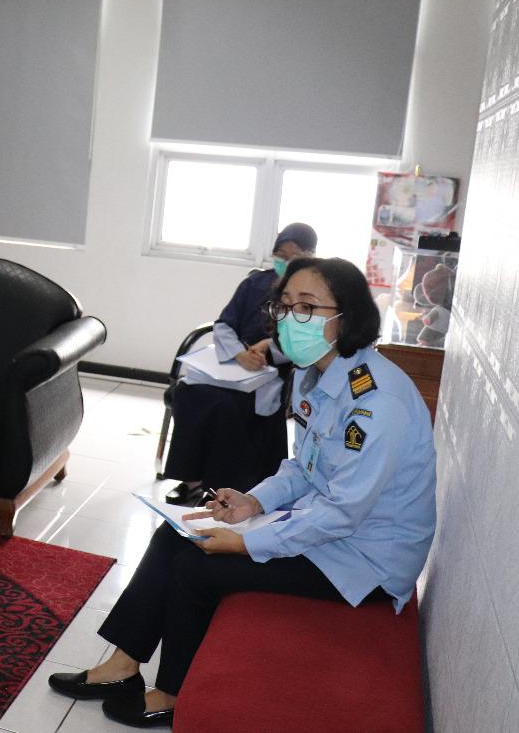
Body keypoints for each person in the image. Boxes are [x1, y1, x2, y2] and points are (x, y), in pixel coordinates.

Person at [48, 257, 436, 728]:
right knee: (173, 536)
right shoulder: (315, 372)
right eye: (285, 305)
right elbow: (304, 468)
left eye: (307, 307)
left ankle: (172, 694)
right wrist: (255, 502)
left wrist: (247, 542)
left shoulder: (377, 401)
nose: (290, 319)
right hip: (330, 528)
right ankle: (122, 666)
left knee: (197, 567)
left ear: (346, 316)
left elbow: (343, 513)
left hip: (366, 560)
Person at [163, 223, 318, 506]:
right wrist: (239, 354)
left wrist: (269, 349)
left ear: (310, 256)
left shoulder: (312, 294)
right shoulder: (254, 283)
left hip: (270, 375)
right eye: (280, 255)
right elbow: (224, 324)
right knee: (187, 392)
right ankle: (191, 482)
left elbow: (308, 340)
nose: (284, 261)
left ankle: (220, 489)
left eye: (293, 256)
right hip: (233, 365)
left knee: (226, 406)